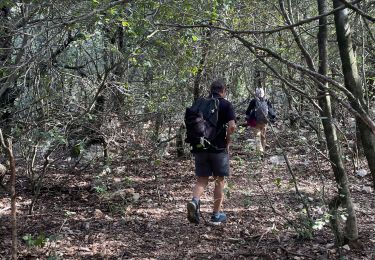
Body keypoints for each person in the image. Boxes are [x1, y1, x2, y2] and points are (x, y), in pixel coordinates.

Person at [187, 79, 236, 224]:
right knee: (219, 181)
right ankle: (216, 215)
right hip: (218, 149)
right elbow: (232, 126)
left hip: (200, 147)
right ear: (223, 90)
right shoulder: (226, 104)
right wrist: (227, 140)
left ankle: (195, 201)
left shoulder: (201, 103)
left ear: (211, 90)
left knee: (202, 179)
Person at [245, 87, 275, 154]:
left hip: (255, 121)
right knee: (263, 136)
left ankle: (260, 151)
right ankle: (263, 150)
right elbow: (271, 111)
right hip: (265, 121)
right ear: (263, 93)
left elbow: (248, 111)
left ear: (256, 93)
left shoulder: (254, 101)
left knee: (257, 136)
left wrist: (247, 118)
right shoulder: (267, 100)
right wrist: (272, 118)